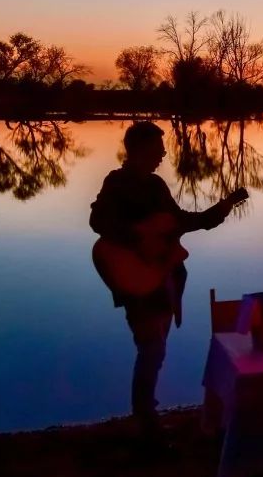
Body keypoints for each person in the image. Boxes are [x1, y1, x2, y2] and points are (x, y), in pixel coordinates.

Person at [90, 122, 246, 449]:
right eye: (157, 148)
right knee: (151, 350)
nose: (163, 154)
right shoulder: (117, 183)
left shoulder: (157, 186)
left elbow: (181, 222)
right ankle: (146, 424)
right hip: (136, 279)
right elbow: (98, 221)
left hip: (163, 279)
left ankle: (148, 419)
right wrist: (138, 238)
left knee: (154, 351)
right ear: (139, 150)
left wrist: (223, 208)